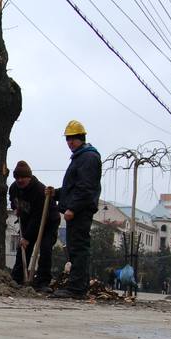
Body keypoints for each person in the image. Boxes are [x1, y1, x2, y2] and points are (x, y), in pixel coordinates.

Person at [51, 120, 101, 299]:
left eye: (73, 138)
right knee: (74, 248)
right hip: (77, 210)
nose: (70, 142)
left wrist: (73, 208)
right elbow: (72, 187)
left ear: (81, 138)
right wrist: (56, 194)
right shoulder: (80, 157)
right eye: (68, 139)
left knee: (78, 248)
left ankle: (77, 288)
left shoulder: (88, 158)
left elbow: (84, 188)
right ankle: (77, 286)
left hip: (80, 212)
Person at [8, 160, 60, 292]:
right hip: (27, 220)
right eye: (17, 177)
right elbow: (13, 202)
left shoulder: (38, 190)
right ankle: (18, 278)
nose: (20, 180)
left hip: (47, 221)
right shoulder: (14, 188)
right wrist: (16, 208)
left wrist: (27, 237)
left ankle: (42, 281)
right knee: (23, 248)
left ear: (29, 177)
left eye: (23, 178)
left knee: (45, 247)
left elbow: (38, 217)